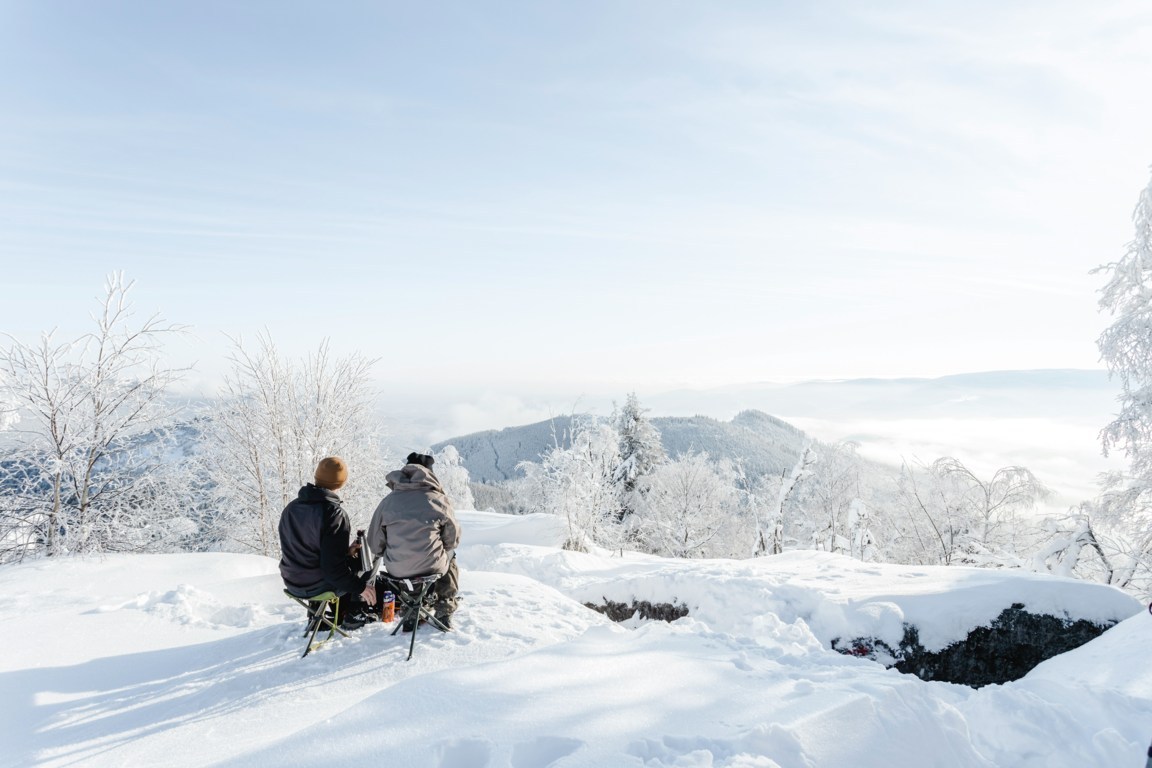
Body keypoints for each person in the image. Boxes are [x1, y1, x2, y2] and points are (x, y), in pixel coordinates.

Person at [278, 456, 377, 629]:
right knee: (370, 557)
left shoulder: (291, 508)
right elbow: (333, 570)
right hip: (318, 585)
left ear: (316, 477)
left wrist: (346, 552)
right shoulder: (334, 514)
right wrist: (361, 588)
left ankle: (317, 615)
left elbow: (305, 549)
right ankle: (355, 613)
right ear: (341, 482)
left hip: (292, 581)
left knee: (337, 564)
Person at [367, 452, 461, 630]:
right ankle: (445, 608)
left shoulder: (387, 502)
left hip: (397, 570)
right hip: (432, 565)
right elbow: (453, 539)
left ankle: (411, 609)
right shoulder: (438, 500)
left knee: (407, 562)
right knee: (451, 555)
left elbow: (374, 544)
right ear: (430, 474)